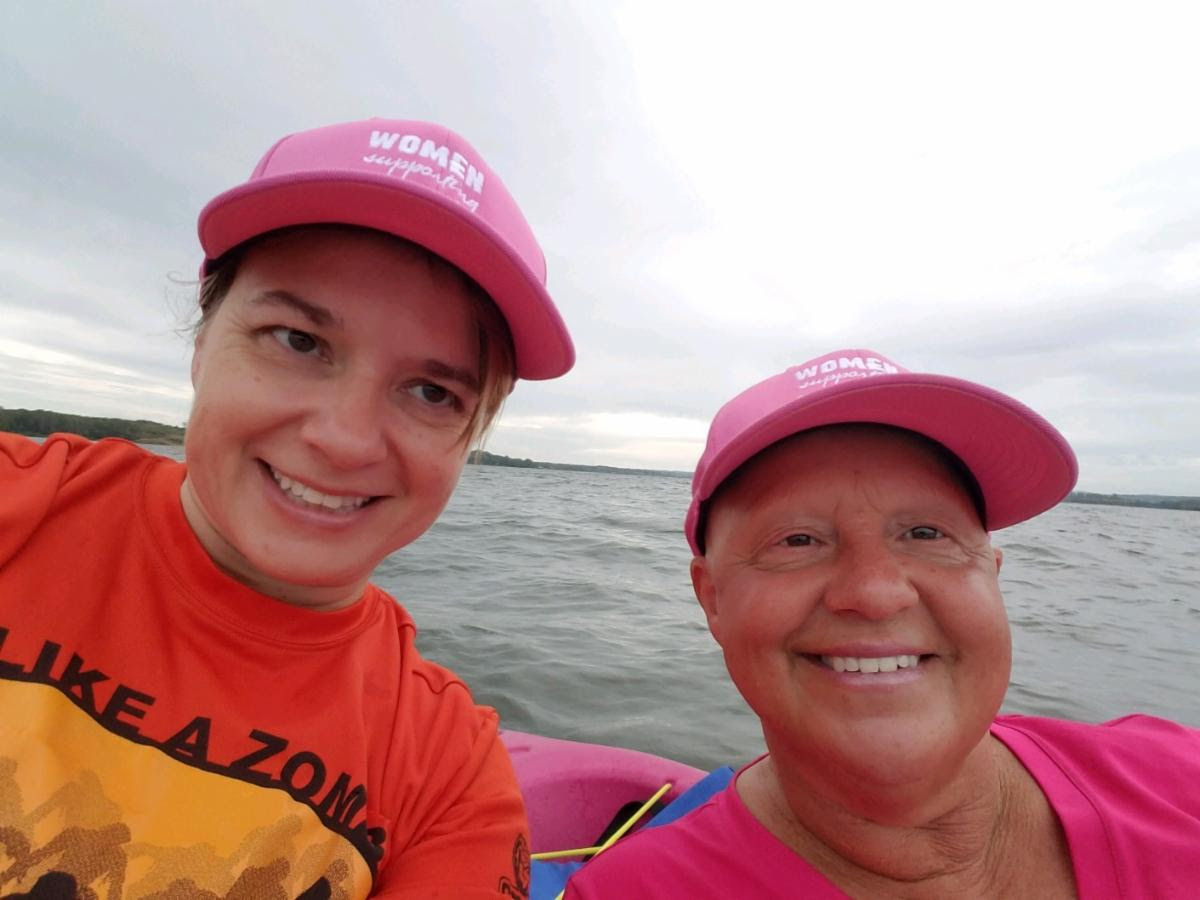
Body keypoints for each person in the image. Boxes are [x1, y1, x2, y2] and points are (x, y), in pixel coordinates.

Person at [0, 117, 574, 898]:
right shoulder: (23, 506)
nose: (344, 440)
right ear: (202, 343)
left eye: (431, 392)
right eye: (299, 341)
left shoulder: (447, 775)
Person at [565, 348, 1200, 898]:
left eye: (926, 533)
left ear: (992, 573)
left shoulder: (1176, 779)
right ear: (712, 599)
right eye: (798, 540)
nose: (876, 593)